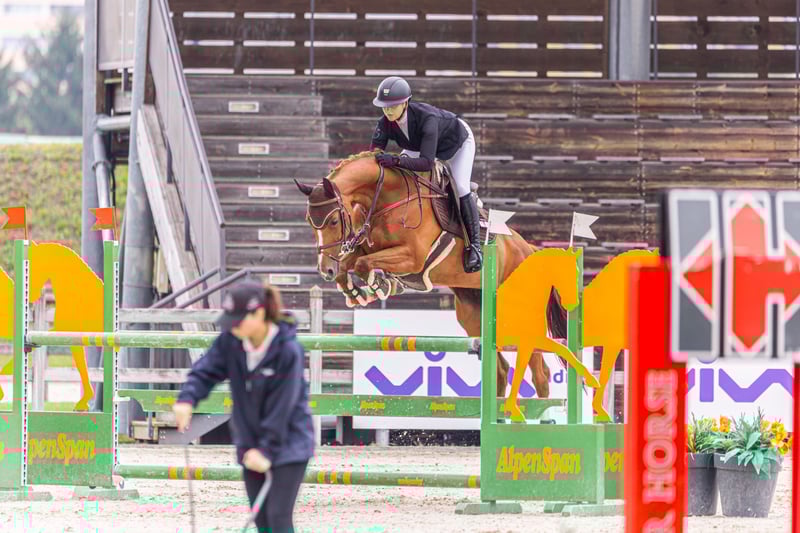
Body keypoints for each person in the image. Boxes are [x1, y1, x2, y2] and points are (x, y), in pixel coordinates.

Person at [172, 280, 314, 533]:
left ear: (259, 313)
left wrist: (267, 450)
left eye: (238, 320)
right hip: (250, 443)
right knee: (261, 519)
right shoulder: (231, 341)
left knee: (278, 517)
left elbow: (283, 407)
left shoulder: (288, 351)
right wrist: (187, 399)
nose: (232, 326)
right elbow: (206, 370)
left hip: (288, 443)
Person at [368, 75, 483, 273]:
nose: (388, 111)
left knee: (460, 186)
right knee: (399, 176)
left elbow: (427, 164)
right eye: (384, 107)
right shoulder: (385, 122)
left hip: (456, 144)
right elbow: (373, 155)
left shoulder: (427, 119)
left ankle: (474, 247)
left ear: (405, 103)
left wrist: (396, 160)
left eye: (392, 106)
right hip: (419, 147)